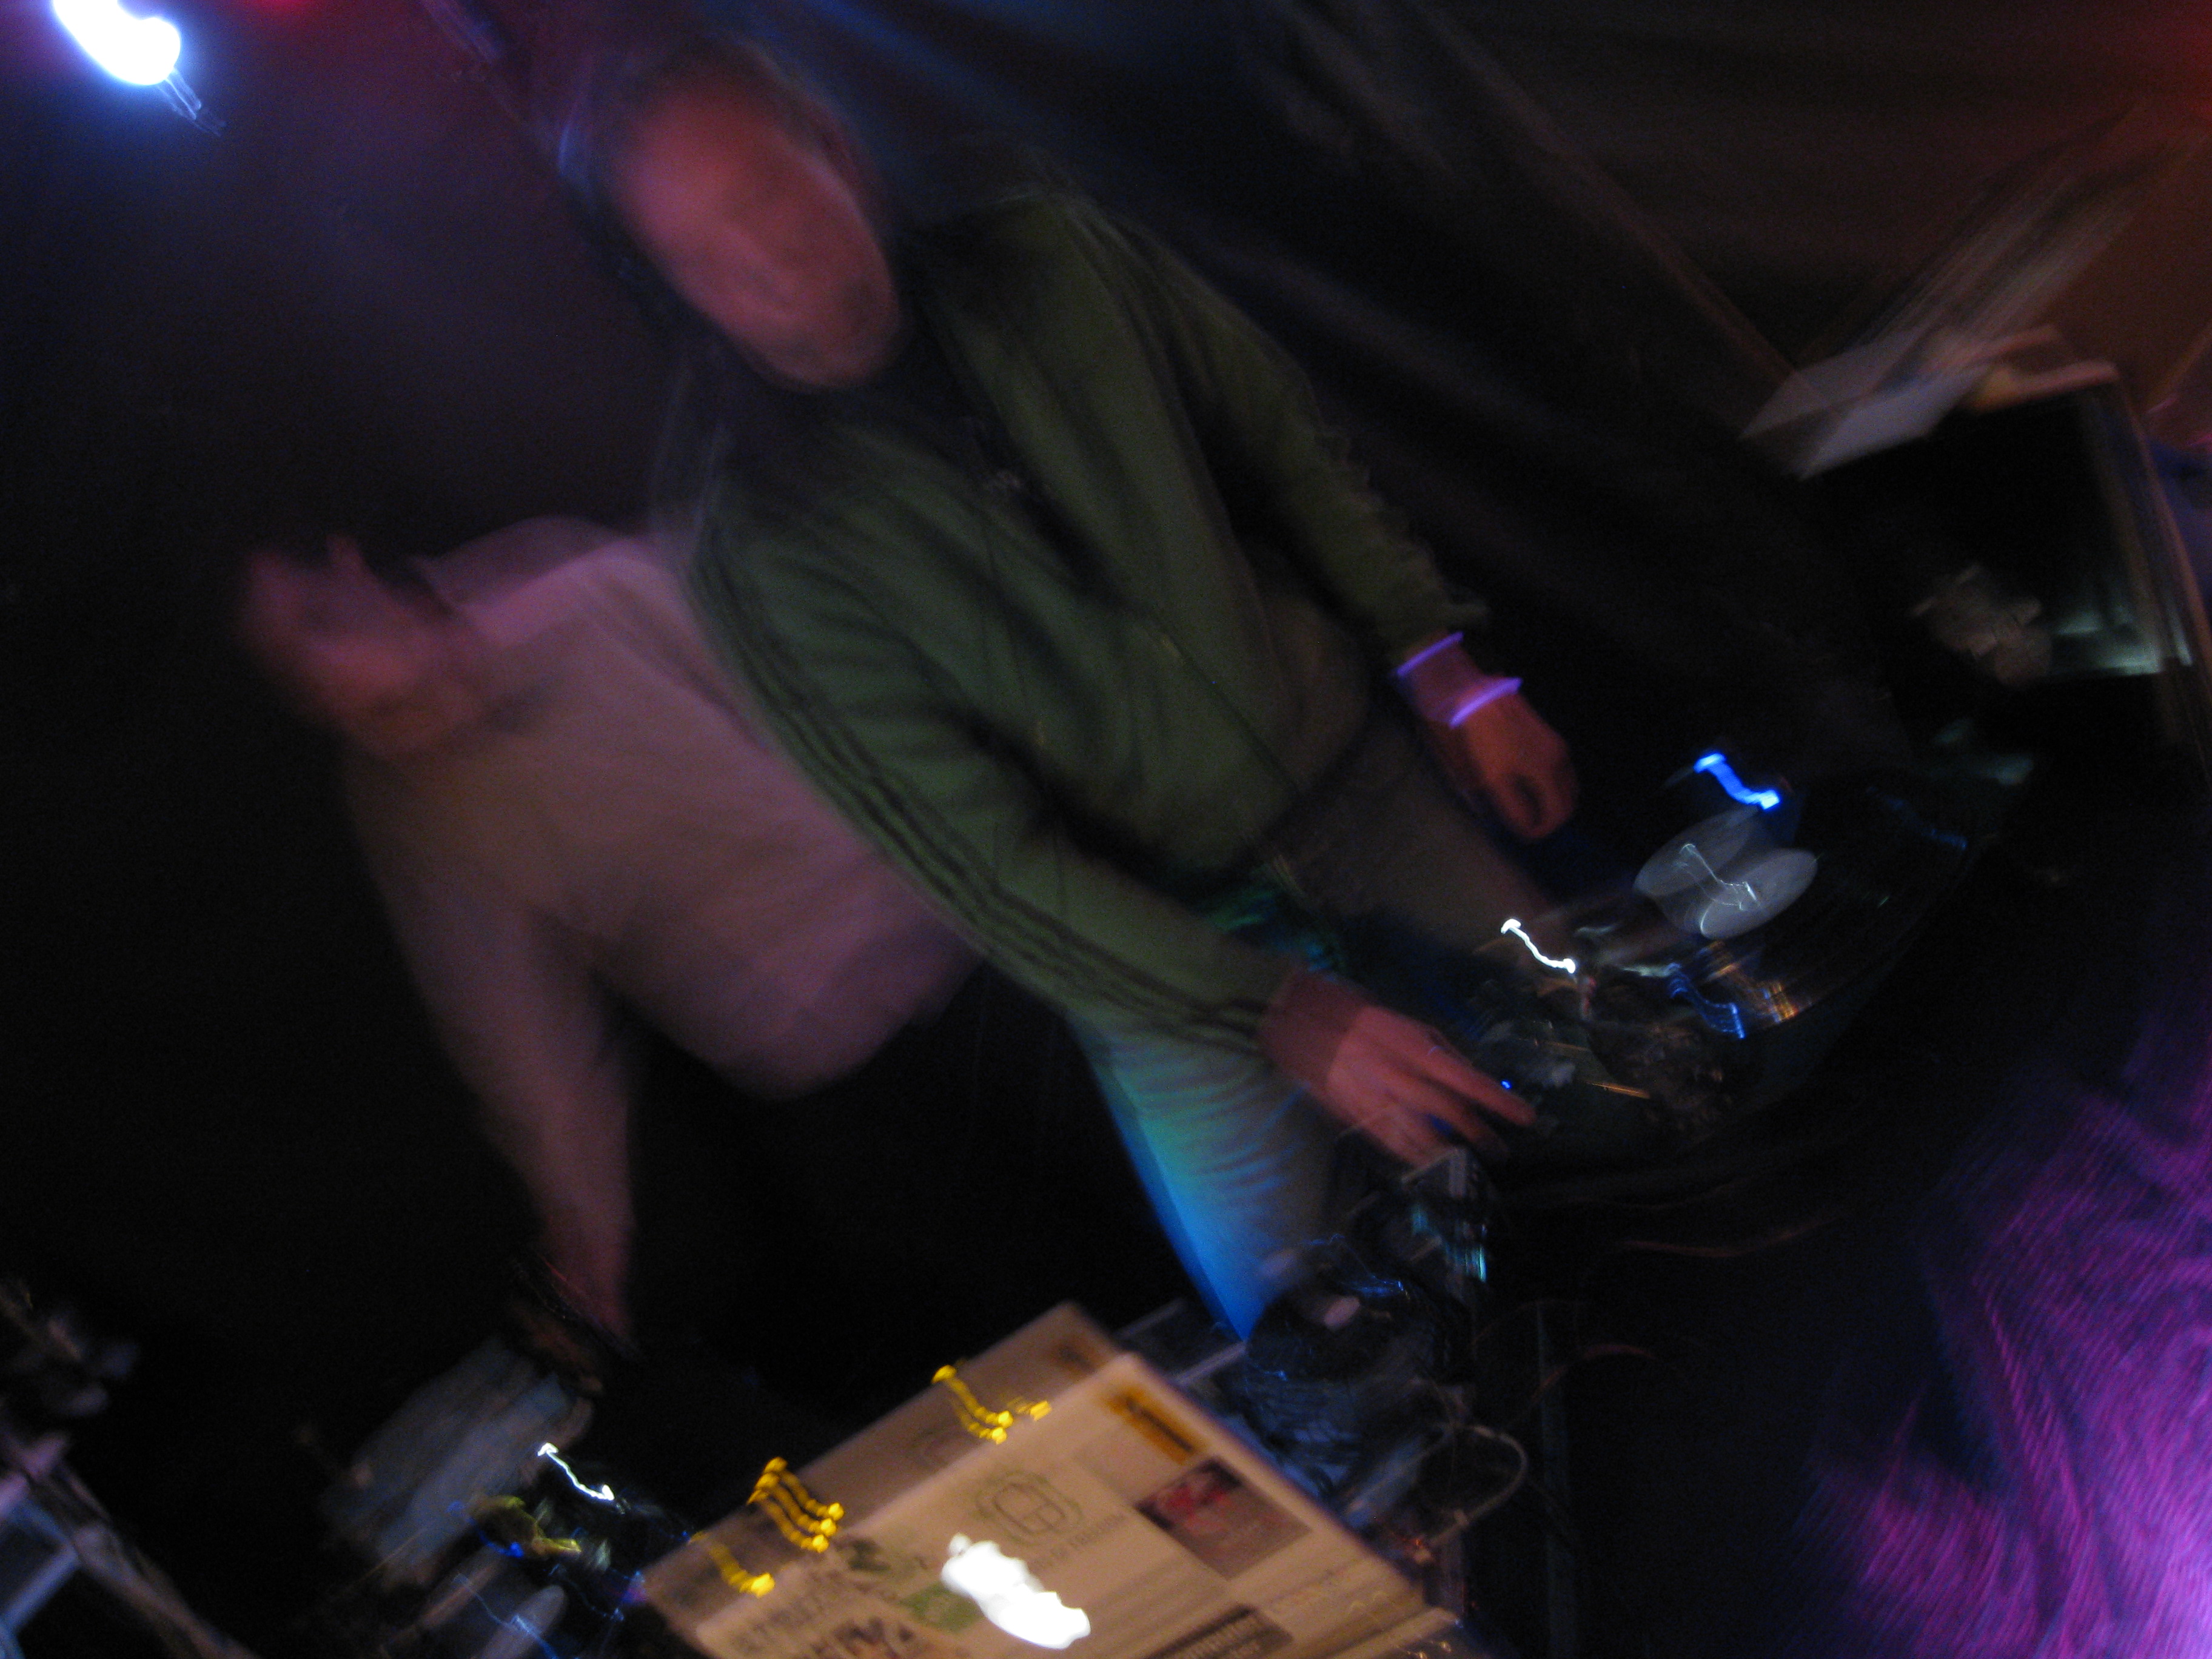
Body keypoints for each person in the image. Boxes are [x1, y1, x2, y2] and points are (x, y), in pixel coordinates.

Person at [569, 36, 1582, 1333]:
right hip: (1158, 960)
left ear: (834, 149)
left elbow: (1276, 438)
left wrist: (1440, 661)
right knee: (1314, 1347)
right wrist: (1275, 1010)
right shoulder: (757, 550)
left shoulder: (1044, 248)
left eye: (768, 194)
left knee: (1604, 1062)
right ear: (677, 301)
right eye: (710, 258)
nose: (771, 262)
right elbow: (992, 873)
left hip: (1358, 786)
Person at [237, 516, 977, 1342]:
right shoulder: (411, 808)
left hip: (952, 934)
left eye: (320, 622)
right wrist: (586, 1226)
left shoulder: (576, 592)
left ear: (350, 564)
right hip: (820, 1061)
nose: (328, 672)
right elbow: (514, 1025)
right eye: (295, 673)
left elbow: (809, 694)